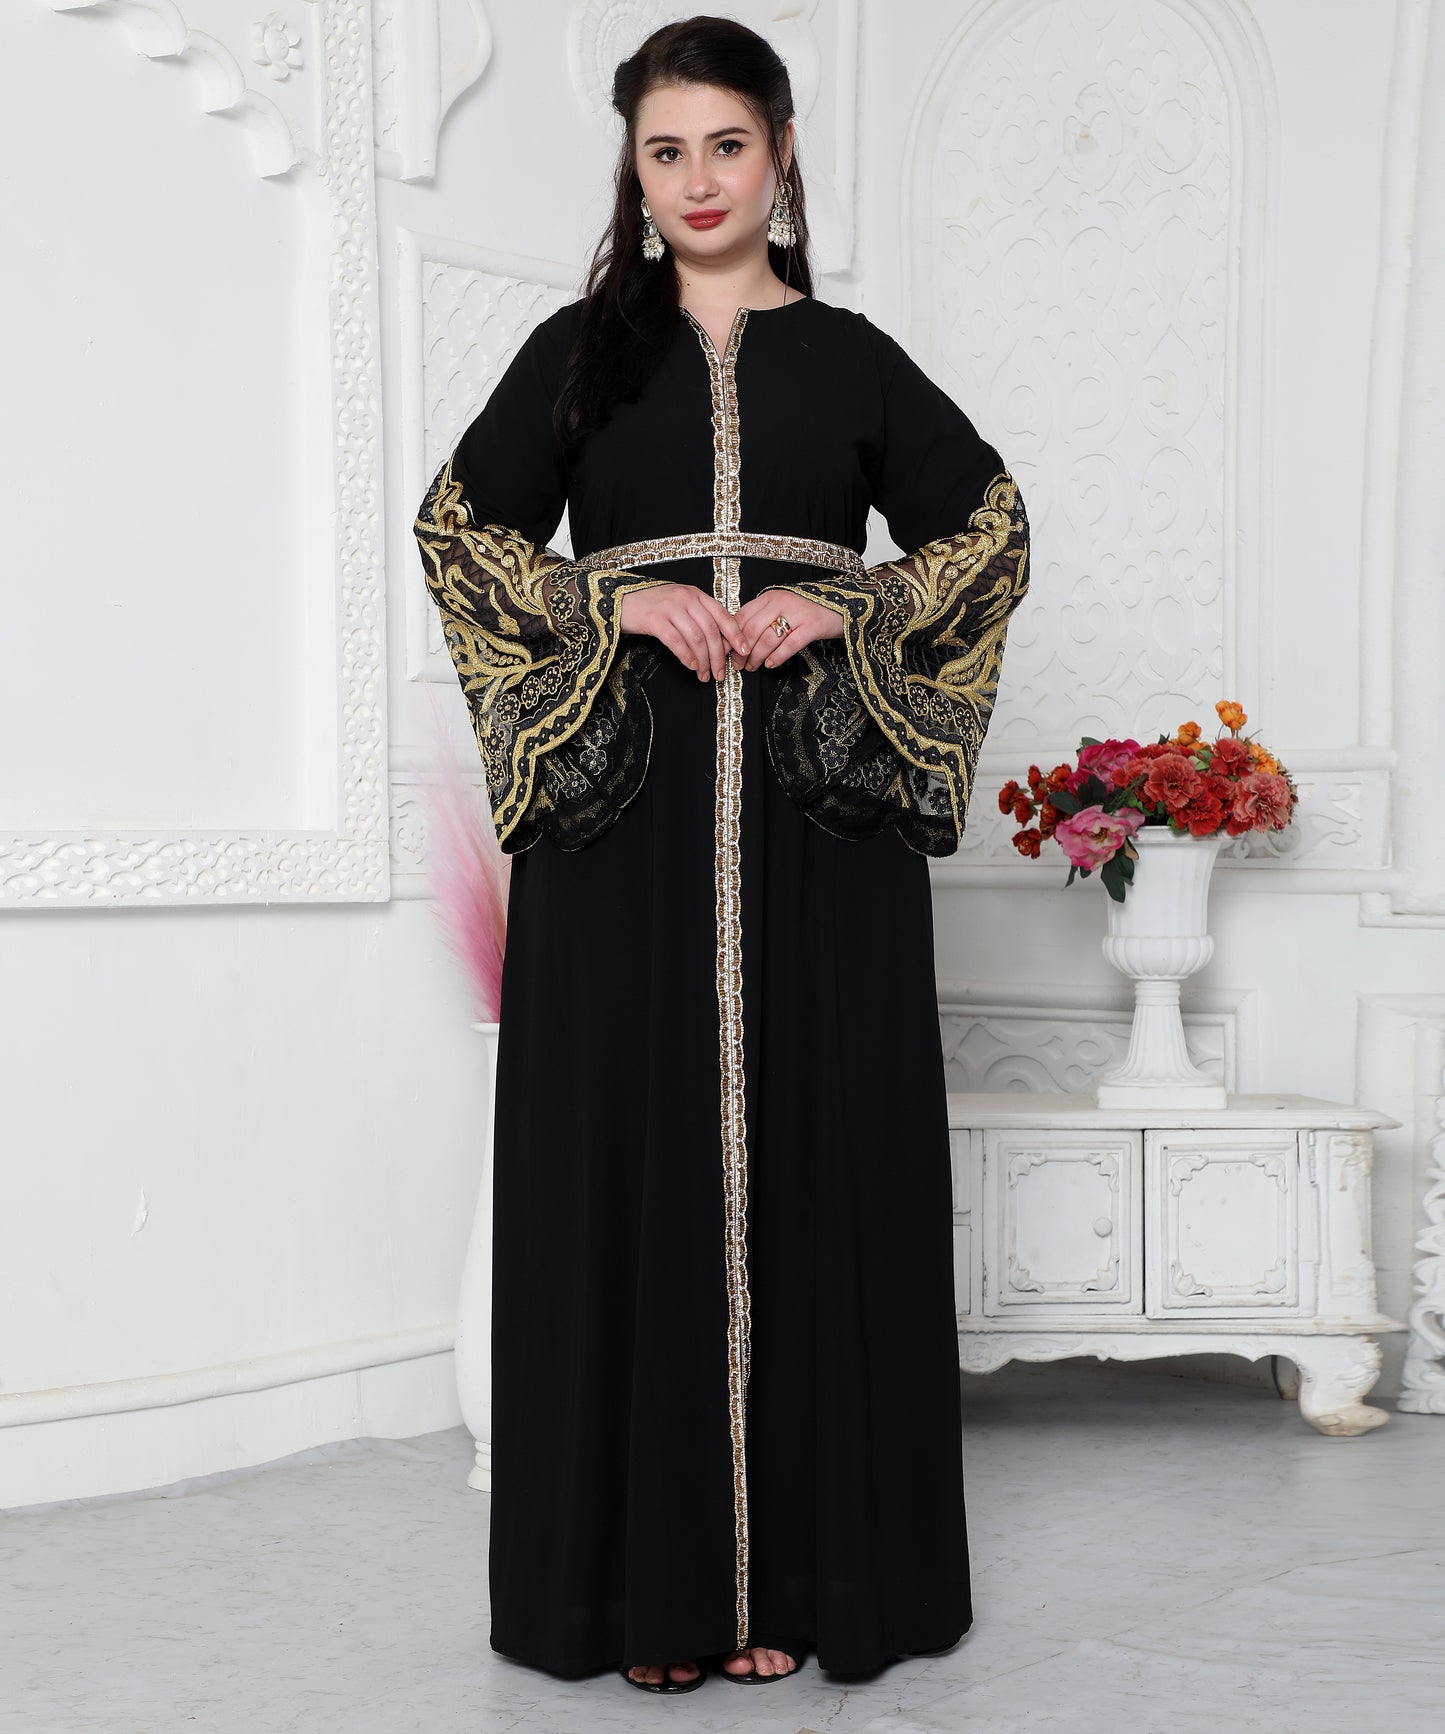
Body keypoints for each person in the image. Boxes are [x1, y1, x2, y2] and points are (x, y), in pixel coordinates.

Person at [413, 14, 1030, 1698]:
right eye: (664, 151)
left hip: (822, 819)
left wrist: (850, 605)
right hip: (623, 821)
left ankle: (809, 1580)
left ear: (781, 154)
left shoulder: (852, 359)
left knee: (817, 1154)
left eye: (727, 146)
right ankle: (647, 1593)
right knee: (635, 1162)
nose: (697, 181)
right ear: (633, 169)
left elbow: (987, 531)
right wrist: (607, 598)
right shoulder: (576, 355)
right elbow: (459, 531)